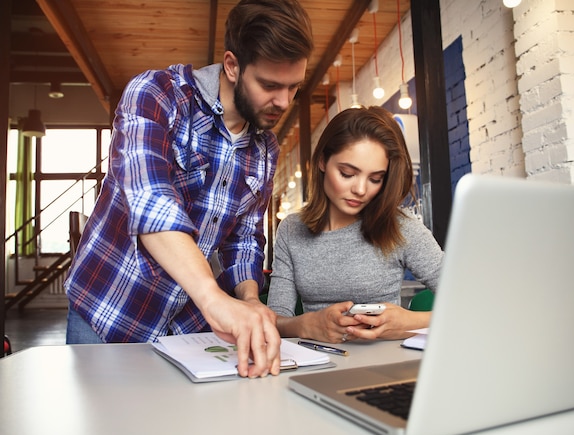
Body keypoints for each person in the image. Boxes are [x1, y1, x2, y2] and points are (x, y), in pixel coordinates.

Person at [64, 0, 314, 378]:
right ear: (232, 65)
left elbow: (243, 239)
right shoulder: (157, 95)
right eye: (269, 85)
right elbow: (151, 205)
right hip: (107, 316)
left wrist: (249, 301)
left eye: (294, 86)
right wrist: (214, 299)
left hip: (185, 332)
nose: (284, 101)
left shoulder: (266, 148)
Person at [267, 106, 444, 344]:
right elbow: (275, 321)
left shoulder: (401, 227)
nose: (361, 190)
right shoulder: (291, 229)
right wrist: (308, 325)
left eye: (375, 179)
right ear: (322, 162)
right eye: (347, 173)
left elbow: (472, 300)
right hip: (317, 364)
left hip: (385, 365)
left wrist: (410, 322)